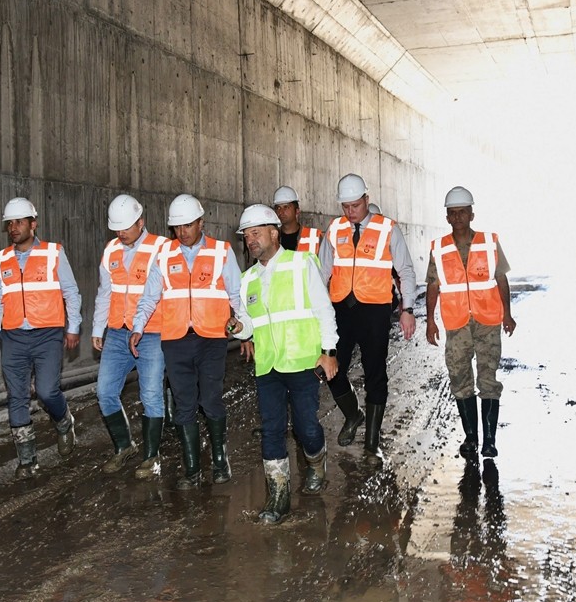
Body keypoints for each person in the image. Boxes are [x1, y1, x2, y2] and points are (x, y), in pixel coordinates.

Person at [231, 204, 340, 524]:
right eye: (246, 235)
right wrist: (239, 328)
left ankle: (316, 462)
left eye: (256, 233)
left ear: (274, 233)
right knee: (272, 430)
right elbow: (251, 325)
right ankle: (277, 496)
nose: (250, 240)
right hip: (268, 367)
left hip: (303, 362)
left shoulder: (302, 263)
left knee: (307, 428)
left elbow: (324, 309)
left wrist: (329, 351)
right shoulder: (248, 277)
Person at [131, 193, 245, 489]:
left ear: (200, 222)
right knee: (183, 406)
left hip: (212, 340)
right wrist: (138, 327)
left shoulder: (222, 252)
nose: (181, 232)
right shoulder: (165, 255)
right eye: (176, 228)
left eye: (187, 226)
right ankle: (192, 468)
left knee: (210, 400)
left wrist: (243, 325)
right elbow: (149, 297)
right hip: (176, 341)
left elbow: (237, 295)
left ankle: (220, 460)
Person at [317, 173, 418, 464]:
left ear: (366, 199)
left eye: (355, 206)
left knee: (375, 374)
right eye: (345, 207)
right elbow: (321, 273)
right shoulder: (335, 229)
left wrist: (407, 309)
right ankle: (353, 415)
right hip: (341, 313)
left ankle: (372, 444)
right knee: (330, 370)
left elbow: (406, 271)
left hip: (374, 311)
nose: (350, 212)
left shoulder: (387, 229)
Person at [0, 197, 82, 474]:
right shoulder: (2, 259)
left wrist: (73, 326)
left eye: (19, 222)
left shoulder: (53, 253)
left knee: (47, 390)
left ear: (33, 224)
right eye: (9, 223)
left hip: (47, 335)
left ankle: (64, 422)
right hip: (13, 337)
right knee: (16, 396)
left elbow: (70, 292)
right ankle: (28, 460)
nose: (13, 227)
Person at [425, 186, 516, 459]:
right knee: (460, 379)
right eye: (452, 214)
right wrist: (430, 321)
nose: (457, 218)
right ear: (447, 217)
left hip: (488, 320)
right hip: (456, 324)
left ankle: (489, 441)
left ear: (471, 214)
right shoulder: (439, 249)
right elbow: (433, 285)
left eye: (462, 212)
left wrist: (508, 314)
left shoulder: (489, 242)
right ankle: (470, 438)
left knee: (488, 380)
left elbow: (501, 279)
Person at [92, 194, 169, 478]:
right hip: (117, 333)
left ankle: (151, 456)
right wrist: (98, 327)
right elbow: (104, 292)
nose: (120, 233)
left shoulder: (161, 248)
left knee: (150, 394)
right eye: (117, 228)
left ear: (141, 222)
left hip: (152, 333)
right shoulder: (110, 250)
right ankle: (125, 446)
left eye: (125, 227)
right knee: (105, 392)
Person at [272, 185, 321, 253]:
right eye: (278, 208)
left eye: (286, 207)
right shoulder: (271, 238)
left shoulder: (314, 237)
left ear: (297, 211)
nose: (281, 212)